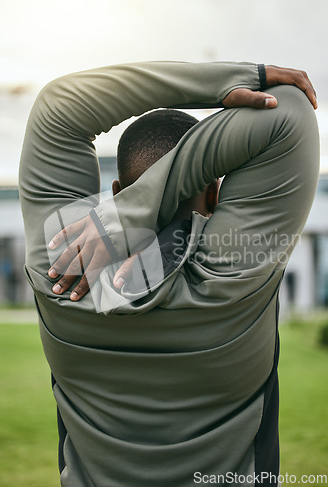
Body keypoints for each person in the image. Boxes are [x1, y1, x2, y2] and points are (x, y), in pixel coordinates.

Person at [19, 61, 319, 486]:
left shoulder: (60, 269)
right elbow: (288, 110)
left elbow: (59, 104)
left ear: (116, 193)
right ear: (215, 193)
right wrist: (134, 212)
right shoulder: (233, 275)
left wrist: (121, 216)